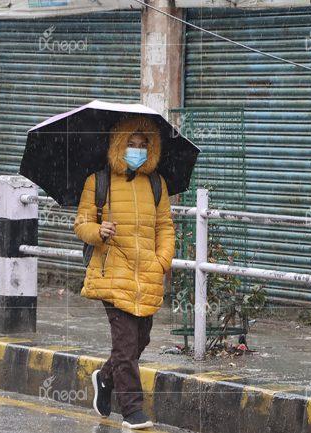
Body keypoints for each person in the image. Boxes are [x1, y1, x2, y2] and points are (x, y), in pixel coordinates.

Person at [73, 115, 175, 430]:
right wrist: (98, 230)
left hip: (147, 275)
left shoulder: (157, 184)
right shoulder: (98, 182)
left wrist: (162, 261)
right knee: (126, 342)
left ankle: (105, 378)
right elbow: (81, 224)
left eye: (143, 144)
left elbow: (165, 226)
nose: (137, 150)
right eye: (131, 143)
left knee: (141, 339)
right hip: (112, 274)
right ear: (119, 145)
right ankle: (132, 410)